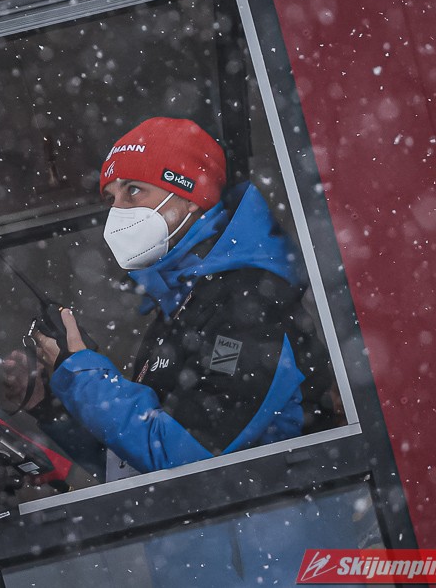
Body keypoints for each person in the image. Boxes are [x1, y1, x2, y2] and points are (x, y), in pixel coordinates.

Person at [26, 117, 334, 476]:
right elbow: (131, 468)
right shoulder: (182, 304)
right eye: (111, 199)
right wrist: (50, 402)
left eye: (133, 191)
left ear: (189, 197)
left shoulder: (251, 301)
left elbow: (187, 458)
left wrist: (84, 377)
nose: (117, 211)